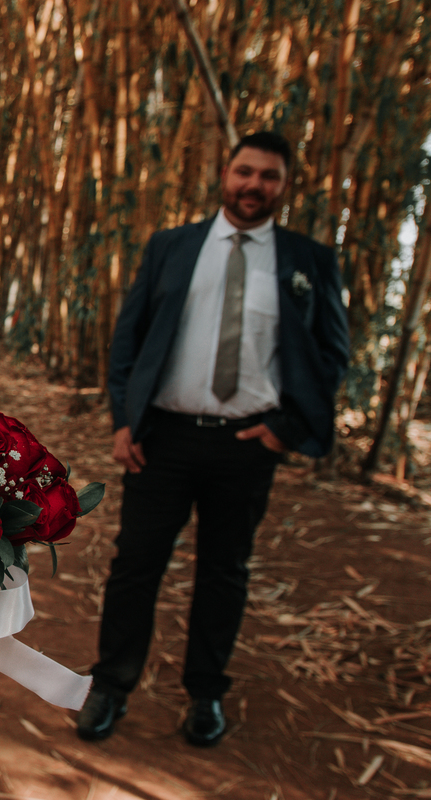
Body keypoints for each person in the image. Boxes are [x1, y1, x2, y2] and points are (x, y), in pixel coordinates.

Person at [78, 131, 349, 747]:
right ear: (225, 174)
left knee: (224, 571)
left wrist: (285, 430)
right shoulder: (171, 247)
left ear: (285, 185)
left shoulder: (308, 261)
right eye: (245, 171)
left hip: (248, 444)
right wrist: (124, 421)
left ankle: (205, 694)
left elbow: (331, 354)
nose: (254, 185)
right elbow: (129, 339)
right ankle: (111, 685)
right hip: (162, 439)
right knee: (134, 565)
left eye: (269, 176)